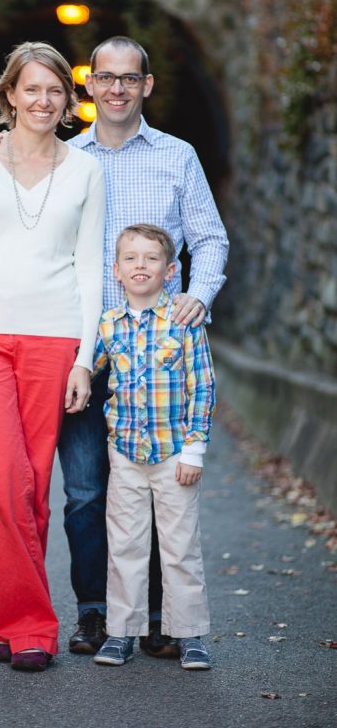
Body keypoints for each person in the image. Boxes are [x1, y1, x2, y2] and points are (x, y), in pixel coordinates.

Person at [0, 35, 228, 657]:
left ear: (147, 86)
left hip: (159, 352)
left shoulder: (177, 156)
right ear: (88, 86)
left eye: (129, 78)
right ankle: (96, 611)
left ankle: (161, 617)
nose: (116, 88)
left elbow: (210, 237)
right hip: (81, 346)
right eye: (105, 77)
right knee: (87, 491)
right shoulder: (59, 157)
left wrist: (200, 294)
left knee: (159, 486)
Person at [0, 41, 105, 672]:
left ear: (68, 99)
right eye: (31, 89)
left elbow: (90, 268)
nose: (43, 100)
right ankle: (35, 626)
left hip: (53, 336)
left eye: (55, 90)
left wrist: (85, 357)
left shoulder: (86, 170)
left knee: (31, 490)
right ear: (9, 95)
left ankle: (3, 621)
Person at [92, 224, 214, 670]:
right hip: (124, 452)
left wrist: (194, 449)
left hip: (173, 454)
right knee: (125, 544)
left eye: (151, 258)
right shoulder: (108, 324)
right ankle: (122, 631)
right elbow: (85, 371)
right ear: (116, 271)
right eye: (131, 258)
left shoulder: (184, 322)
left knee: (180, 547)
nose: (140, 265)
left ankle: (190, 635)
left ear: (169, 270)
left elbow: (202, 386)